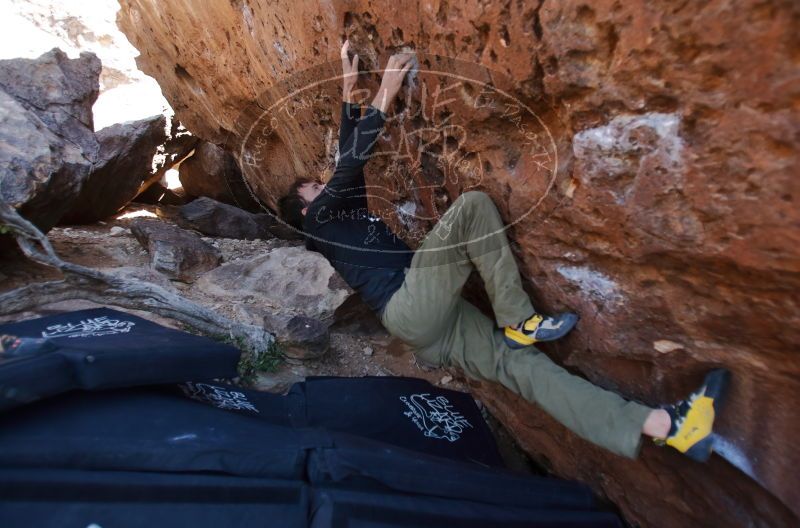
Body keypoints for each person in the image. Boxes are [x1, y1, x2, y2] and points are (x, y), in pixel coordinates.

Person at [278, 41, 730, 462]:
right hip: (410, 305)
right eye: (315, 188)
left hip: (428, 326)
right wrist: (388, 90)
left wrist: (346, 82)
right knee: (472, 207)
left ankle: (669, 427)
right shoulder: (321, 224)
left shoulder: (342, 214)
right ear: (305, 211)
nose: (325, 184)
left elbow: (345, 159)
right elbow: (349, 166)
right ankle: (518, 319)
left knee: (522, 368)